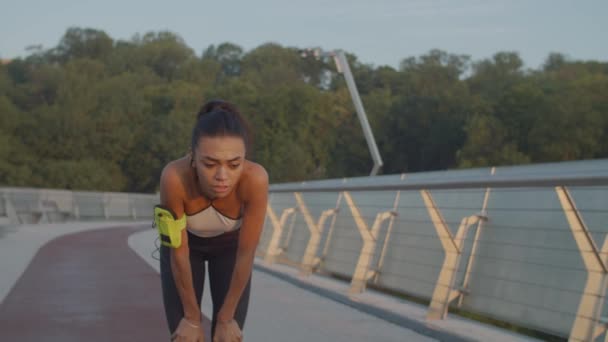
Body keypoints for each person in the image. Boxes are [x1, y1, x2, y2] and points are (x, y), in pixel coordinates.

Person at [155, 100, 268, 342]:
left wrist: (226, 319)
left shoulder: (255, 180)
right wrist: (192, 318)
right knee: (185, 334)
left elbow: (246, 254)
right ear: (192, 156)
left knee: (228, 335)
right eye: (210, 164)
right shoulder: (173, 177)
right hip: (184, 252)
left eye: (234, 164)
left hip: (230, 251)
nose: (222, 176)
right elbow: (178, 253)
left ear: (245, 159)